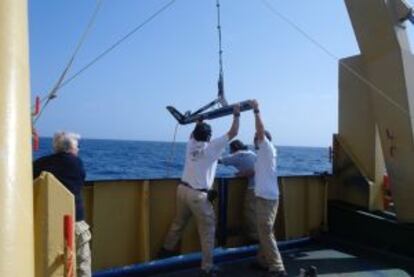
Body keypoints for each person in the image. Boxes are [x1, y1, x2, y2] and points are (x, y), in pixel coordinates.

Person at [159, 105, 240, 277]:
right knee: (207, 232)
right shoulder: (212, 147)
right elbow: (233, 133)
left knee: (178, 223)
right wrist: (237, 113)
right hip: (198, 196)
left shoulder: (191, 144)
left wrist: (199, 121)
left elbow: (194, 134)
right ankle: (207, 267)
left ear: (195, 134)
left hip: (182, 190)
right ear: (209, 137)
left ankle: (165, 253)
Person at [33, 131, 92, 277]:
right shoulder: (75, 162)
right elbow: (81, 178)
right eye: (77, 146)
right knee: (82, 265)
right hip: (74, 222)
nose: (78, 149)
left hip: (49, 222)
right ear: (70, 148)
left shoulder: (41, 162)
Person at [250, 100, 286, 277]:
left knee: (265, 231)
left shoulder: (266, 148)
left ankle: (277, 268)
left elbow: (260, 130)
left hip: (267, 198)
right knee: (264, 231)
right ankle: (262, 260)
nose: (255, 141)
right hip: (264, 197)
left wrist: (256, 110)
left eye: (257, 138)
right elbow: (258, 171)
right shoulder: (262, 155)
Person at [219, 139, 258, 241]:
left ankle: (255, 240)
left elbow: (220, 160)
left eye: (230, 150)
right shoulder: (252, 154)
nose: (230, 152)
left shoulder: (237, 155)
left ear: (234, 148)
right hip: (263, 187)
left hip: (253, 188)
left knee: (250, 214)